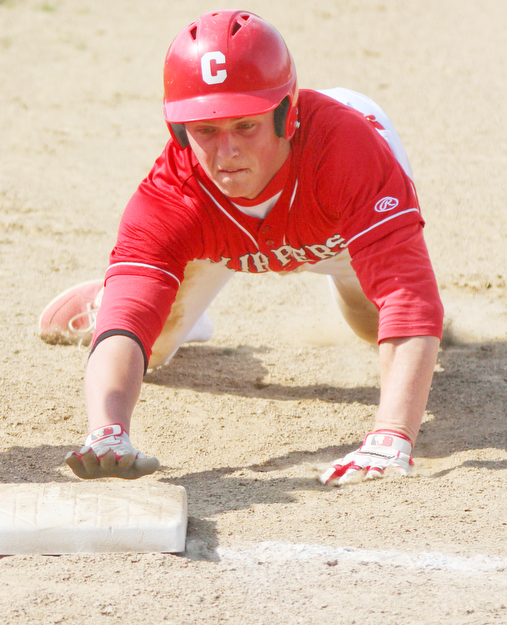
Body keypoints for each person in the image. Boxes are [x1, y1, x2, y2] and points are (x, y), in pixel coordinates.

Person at [40, 10, 444, 486]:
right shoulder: (174, 192)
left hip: (339, 232)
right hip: (218, 241)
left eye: (246, 126)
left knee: (376, 324)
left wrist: (391, 438)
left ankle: (431, 323)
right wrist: (106, 431)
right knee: (157, 342)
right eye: (206, 130)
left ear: (285, 114)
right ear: (178, 130)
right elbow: (130, 322)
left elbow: (408, 299)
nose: (226, 151)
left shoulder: (348, 149)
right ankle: (116, 293)